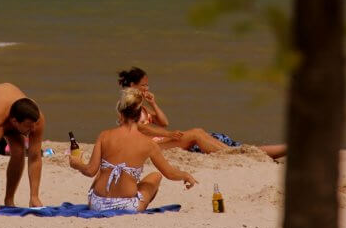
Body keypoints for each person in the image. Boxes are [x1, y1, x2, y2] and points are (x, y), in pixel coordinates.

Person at [69, 88, 197, 211]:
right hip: (128, 206)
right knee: (156, 176)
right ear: (139, 114)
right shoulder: (148, 144)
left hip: (98, 204)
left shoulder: (104, 136)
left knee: (102, 172)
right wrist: (185, 175)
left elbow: (90, 171)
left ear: (120, 113)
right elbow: (170, 173)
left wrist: (77, 165)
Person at [118, 67, 287, 159]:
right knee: (197, 133)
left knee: (208, 136)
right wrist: (168, 134)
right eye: (144, 85)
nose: (147, 88)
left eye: (148, 85)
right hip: (149, 148)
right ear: (133, 85)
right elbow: (140, 129)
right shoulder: (128, 104)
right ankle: (234, 155)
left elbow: (163, 122)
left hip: (160, 142)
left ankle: (239, 152)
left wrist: (153, 103)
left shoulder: (142, 106)